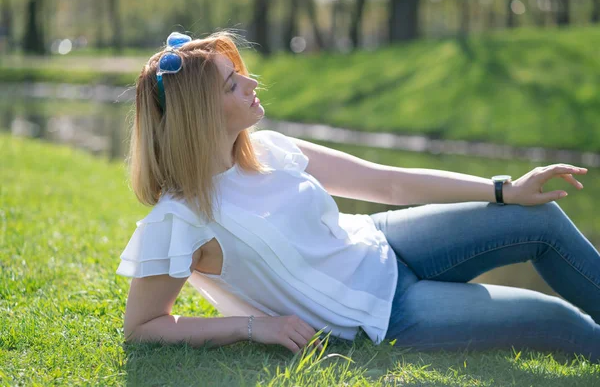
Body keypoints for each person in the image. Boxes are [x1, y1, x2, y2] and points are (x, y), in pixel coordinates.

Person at [116, 30, 599, 362]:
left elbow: (385, 183)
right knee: (558, 320)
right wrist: (252, 328)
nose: (252, 83)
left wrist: (504, 189)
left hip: (385, 241)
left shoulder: (269, 149)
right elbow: (142, 327)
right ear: (199, 114)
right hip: (384, 314)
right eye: (232, 83)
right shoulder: (181, 219)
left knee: (540, 218)